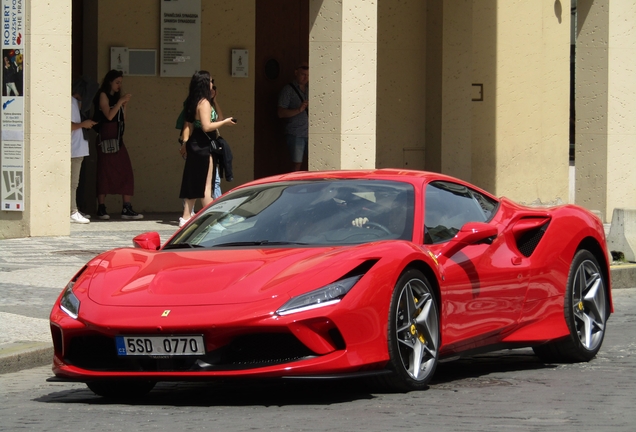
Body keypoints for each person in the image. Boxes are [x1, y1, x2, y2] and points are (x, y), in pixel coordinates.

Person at [178, 71, 236, 227]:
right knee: (206, 185)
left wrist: (185, 143)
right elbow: (207, 126)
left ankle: (186, 216)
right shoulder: (203, 102)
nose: (212, 84)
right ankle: (215, 219)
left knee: (194, 181)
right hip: (204, 144)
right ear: (204, 83)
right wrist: (225, 123)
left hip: (194, 143)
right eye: (210, 81)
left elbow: (190, 124)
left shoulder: (193, 101)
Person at [93, 69, 142, 220]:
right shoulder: (103, 95)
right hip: (106, 137)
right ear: (110, 82)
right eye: (117, 82)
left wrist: (124, 105)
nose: (119, 85)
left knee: (125, 170)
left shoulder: (116, 97)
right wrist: (120, 102)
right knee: (104, 171)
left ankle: (126, 207)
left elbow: (122, 119)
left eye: (121, 83)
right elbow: (108, 115)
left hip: (117, 136)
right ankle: (101, 207)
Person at [70, 78, 98, 224]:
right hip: (72, 148)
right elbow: (67, 125)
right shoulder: (69, 103)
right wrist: (83, 124)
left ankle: (74, 209)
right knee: (72, 183)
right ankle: (72, 211)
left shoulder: (77, 104)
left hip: (78, 148)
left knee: (75, 183)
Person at [277, 62, 309, 172]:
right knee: (297, 164)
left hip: (312, 134)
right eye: (303, 74)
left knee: (314, 163)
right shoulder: (288, 90)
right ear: (296, 73)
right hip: (296, 133)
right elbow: (280, 113)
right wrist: (298, 110)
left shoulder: (312, 89)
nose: (305, 78)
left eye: (308, 75)